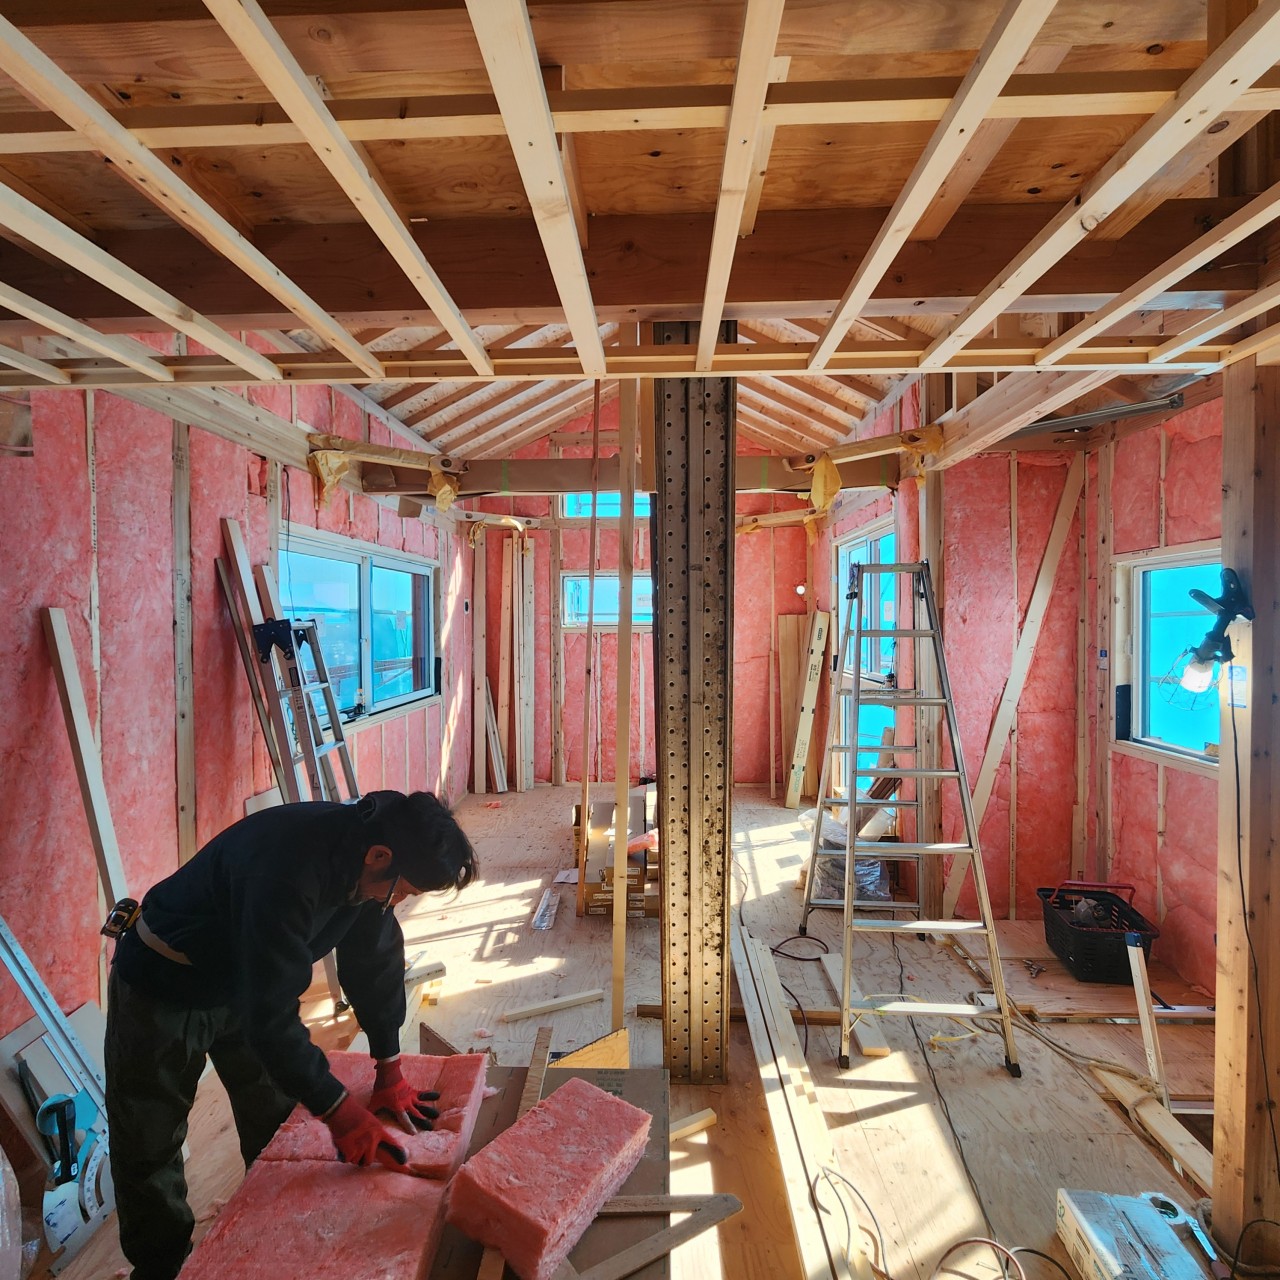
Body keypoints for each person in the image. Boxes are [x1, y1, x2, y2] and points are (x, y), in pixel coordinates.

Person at [104, 789, 477, 1280]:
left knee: (276, 1119)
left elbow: (374, 962)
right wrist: (342, 1112)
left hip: (241, 975)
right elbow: (271, 1018)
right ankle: (162, 1267)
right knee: (149, 1140)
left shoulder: (374, 863)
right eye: (400, 892)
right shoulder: (288, 871)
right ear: (379, 857)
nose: (396, 901)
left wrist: (389, 1068)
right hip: (165, 983)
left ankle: (266, 1248)